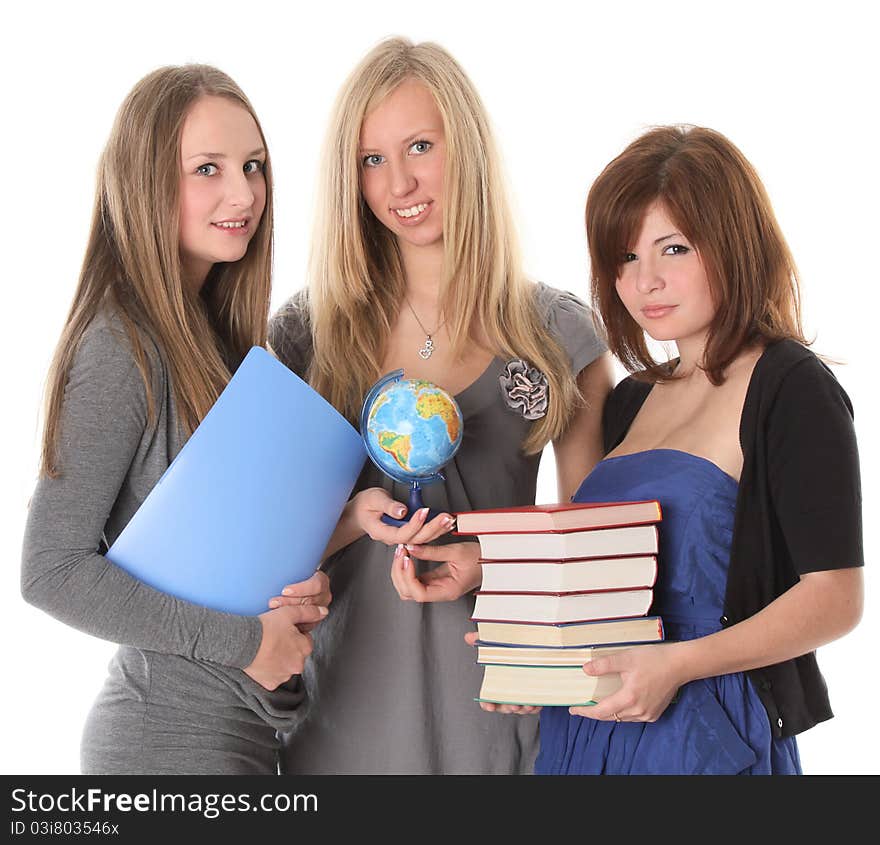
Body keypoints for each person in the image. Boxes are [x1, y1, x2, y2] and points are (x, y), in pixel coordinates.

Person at [268, 37, 613, 774]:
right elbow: (262, 549)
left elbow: (601, 552)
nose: (400, 182)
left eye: (420, 145)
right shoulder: (305, 335)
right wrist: (347, 523)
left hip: (502, 724)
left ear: (468, 147)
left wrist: (493, 566)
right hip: (341, 725)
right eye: (371, 159)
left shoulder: (558, 332)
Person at [21, 64, 331, 775]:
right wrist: (246, 641)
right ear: (144, 182)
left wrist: (315, 566)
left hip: (240, 738)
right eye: (208, 169)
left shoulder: (217, 344)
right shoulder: (118, 347)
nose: (244, 193)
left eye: (253, 166)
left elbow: (213, 552)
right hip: (163, 743)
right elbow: (51, 569)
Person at [526, 125, 863, 774]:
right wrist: (523, 637)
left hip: (705, 732)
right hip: (589, 728)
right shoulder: (630, 400)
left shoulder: (791, 388)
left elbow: (835, 595)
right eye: (624, 258)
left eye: (672, 248)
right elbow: (599, 575)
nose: (645, 280)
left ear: (732, 242)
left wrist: (678, 664)